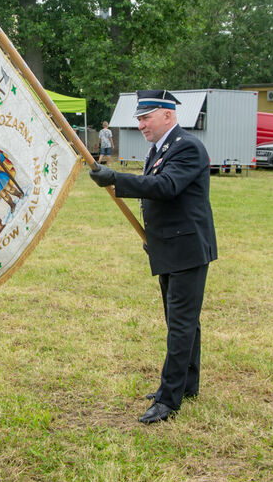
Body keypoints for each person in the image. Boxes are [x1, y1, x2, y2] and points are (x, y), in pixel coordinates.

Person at [89, 89, 217, 424]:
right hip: (168, 247)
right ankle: (187, 384)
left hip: (187, 250)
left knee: (180, 324)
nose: (141, 125)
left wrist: (116, 179)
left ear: (168, 115)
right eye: (139, 119)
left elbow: (167, 187)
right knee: (185, 323)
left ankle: (168, 398)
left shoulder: (186, 147)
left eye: (146, 118)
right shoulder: (159, 149)